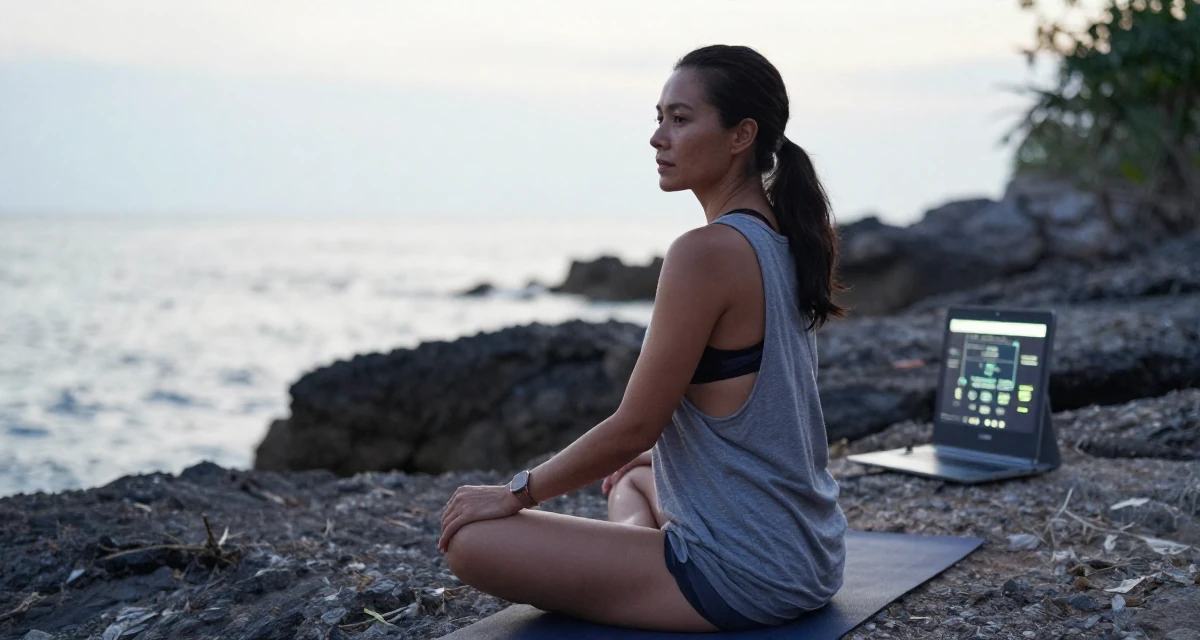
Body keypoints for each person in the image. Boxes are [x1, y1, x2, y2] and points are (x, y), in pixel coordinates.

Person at [438, 44, 847, 632]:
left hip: (744, 574)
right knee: (633, 474)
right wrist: (664, 455)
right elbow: (768, 408)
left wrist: (516, 492)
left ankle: (623, 560)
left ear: (741, 135)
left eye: (680, 119)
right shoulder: (785, 240)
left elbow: (635, 423)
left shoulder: (705, 252)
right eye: (658, 118)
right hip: (809, 556)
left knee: (471, 540)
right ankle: (628, 549)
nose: (659, 137)